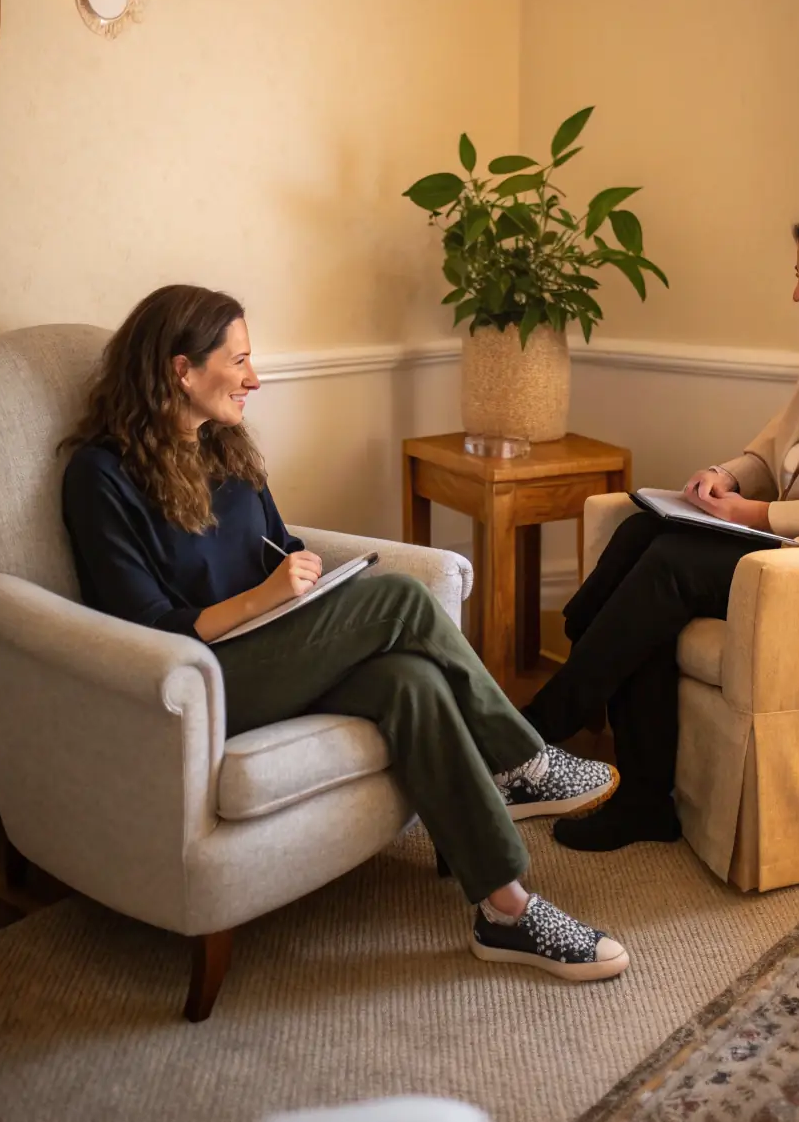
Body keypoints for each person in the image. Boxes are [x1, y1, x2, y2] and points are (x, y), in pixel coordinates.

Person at [59, 285, 629, 982]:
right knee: (395, 597)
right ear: (182, 370)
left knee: (411, 680)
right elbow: (143, 626)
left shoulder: (227, 448)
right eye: (238, 361)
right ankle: (522, 761)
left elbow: (278, 546)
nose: (254, 377)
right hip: (196, 682)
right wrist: (264, 598)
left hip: (276, 649)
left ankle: (506, 909)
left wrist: (310, 584)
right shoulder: (100, 476)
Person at [522, 200, 799, 853]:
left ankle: (537, 728)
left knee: (669, 561)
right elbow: (768, 454)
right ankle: (641, 794)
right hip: (785, 552)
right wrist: (724, 477)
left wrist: (751, 514)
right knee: (643, 532)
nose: (797, 291)